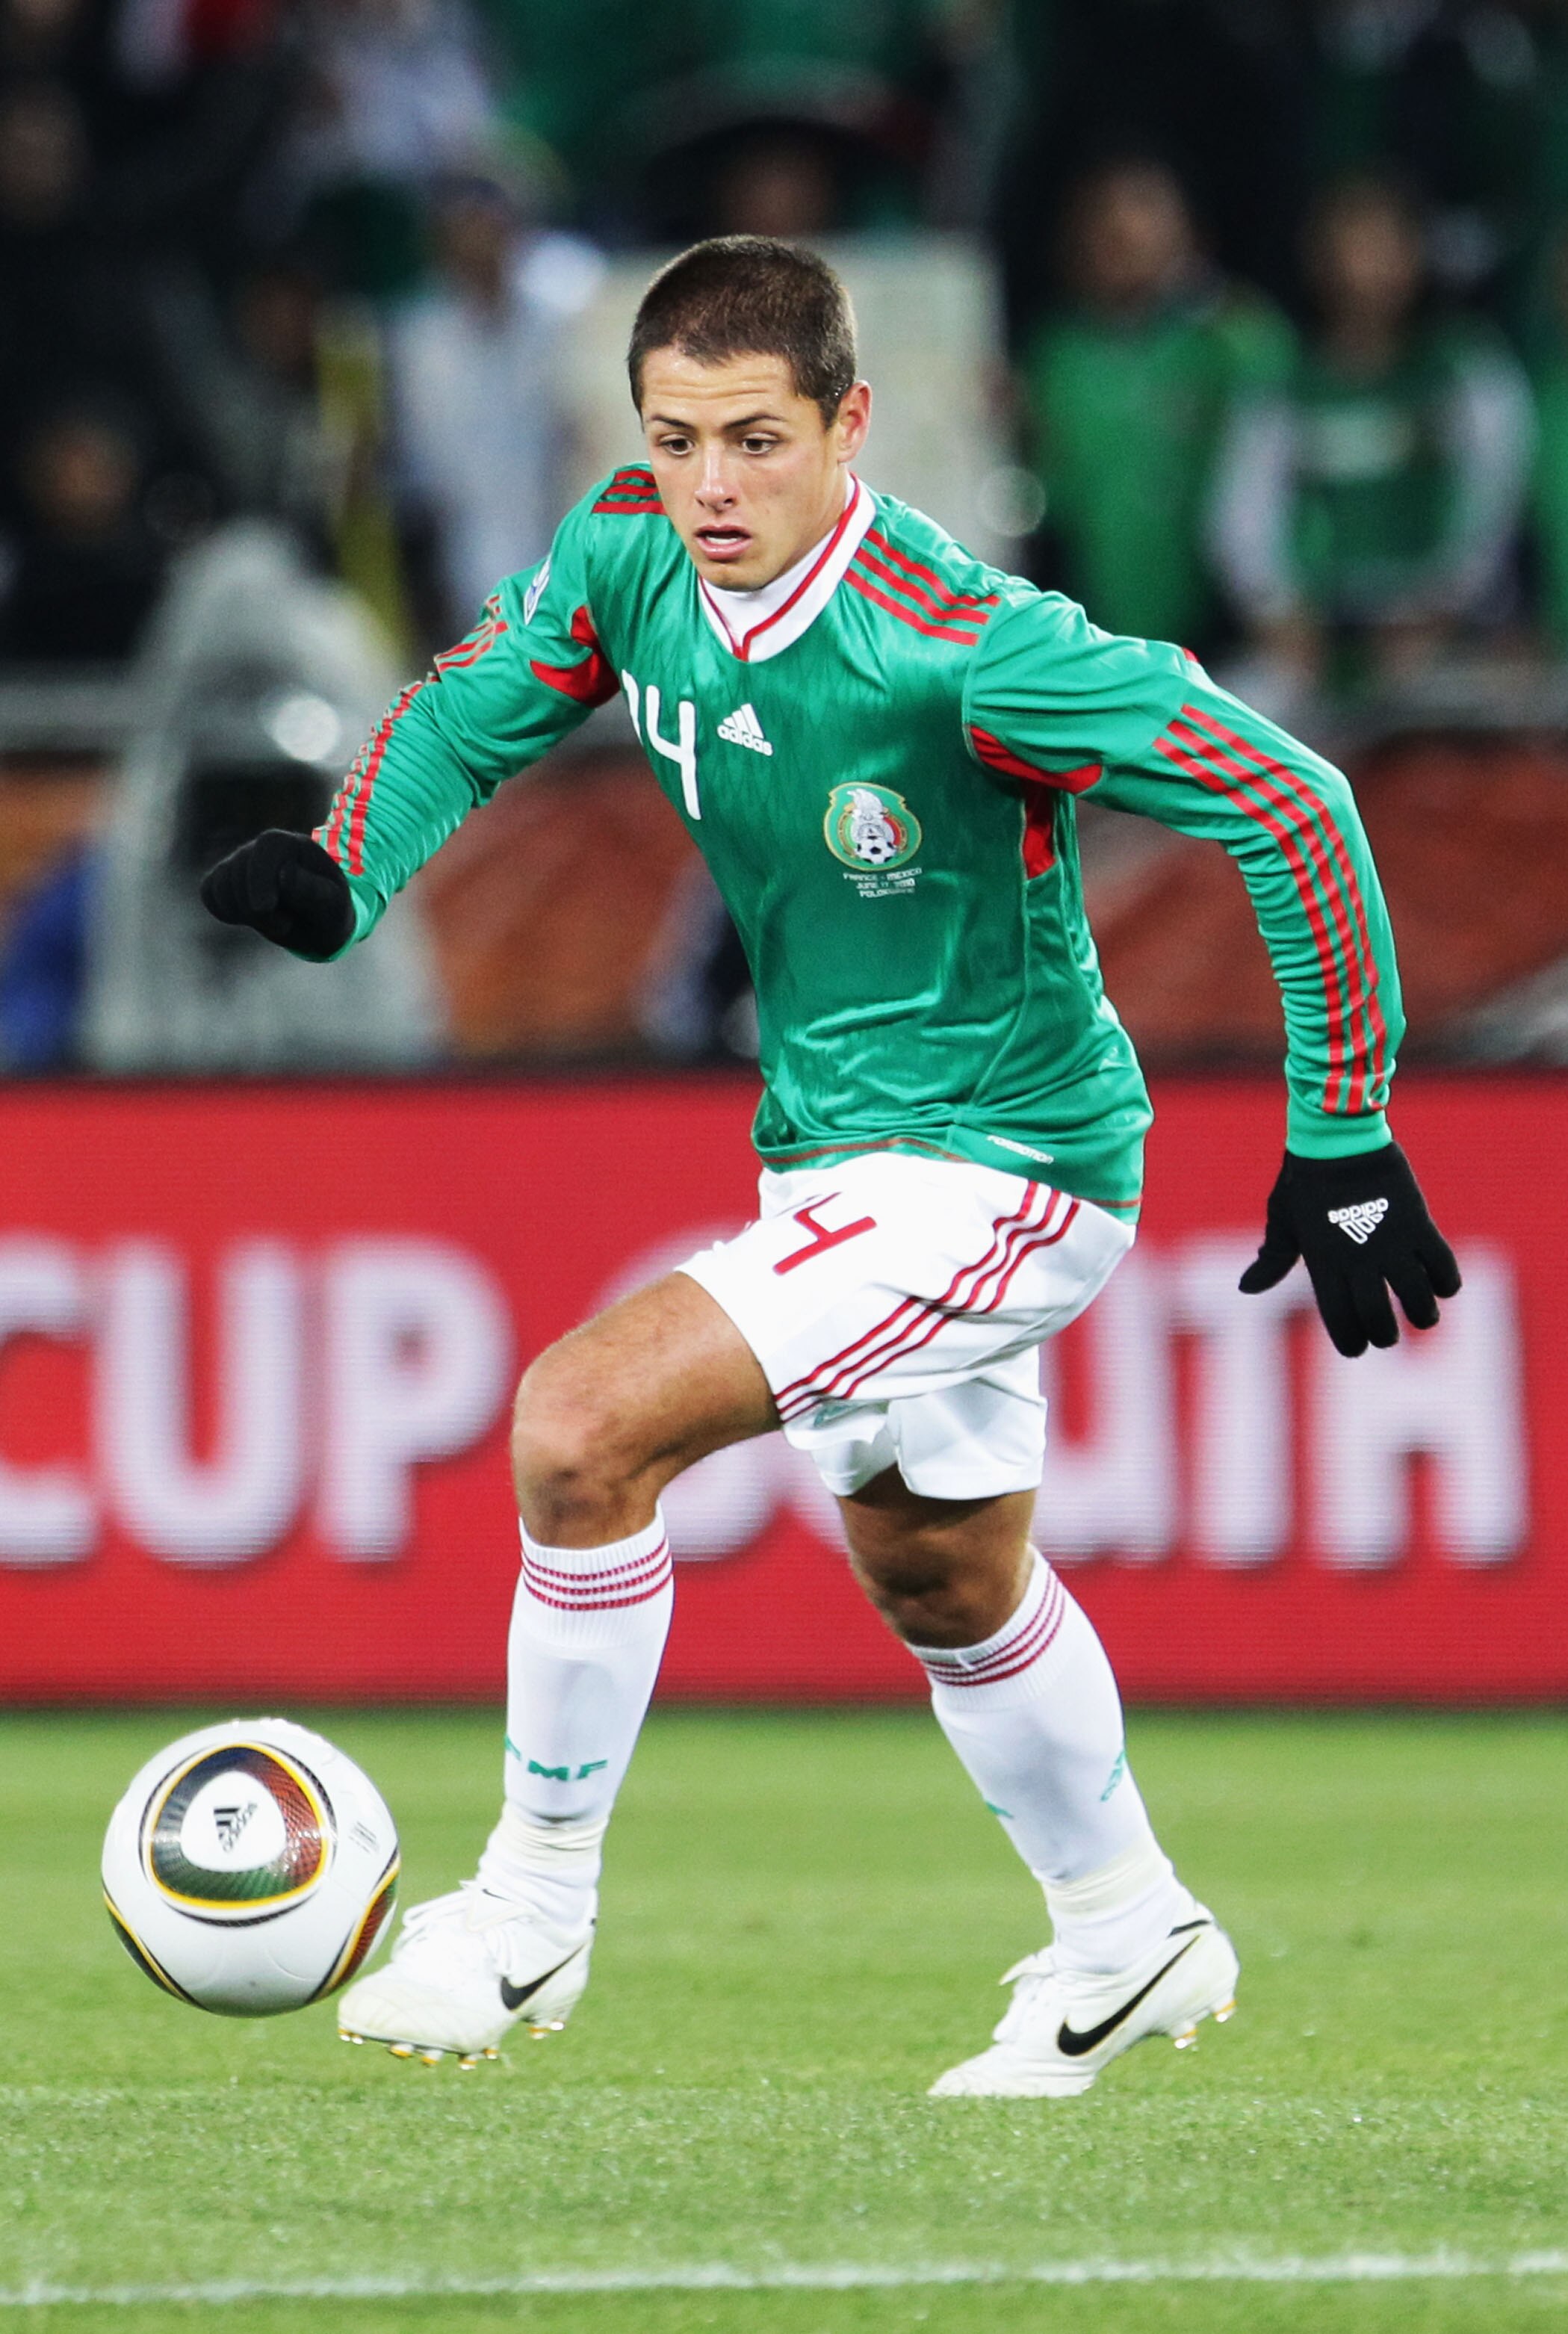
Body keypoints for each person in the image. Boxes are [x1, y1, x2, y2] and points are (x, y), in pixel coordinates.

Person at [199, 236, 1460, 2099]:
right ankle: (1126, 1928)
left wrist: (1338, 1133)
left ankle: (527, 1912)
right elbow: (470, 707)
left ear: (848, 423)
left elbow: (1293, 798)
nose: (708, 485)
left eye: (754, 440)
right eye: (673, 438)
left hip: (1006, 1160)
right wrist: (346, 866)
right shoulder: (625, 555)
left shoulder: (969, 646)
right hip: (833, 1155)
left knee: (578, 1427)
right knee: (940, 1573)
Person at [1211, 175, 1534, 694]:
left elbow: (1494, 499)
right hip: (1320, 629)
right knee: (1237, 706)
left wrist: (1443, 607)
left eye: (1386, 246)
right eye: (1352, 247)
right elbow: (1242, 514)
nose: (1366, 269)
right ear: (1317, 259)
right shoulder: (1283, 382)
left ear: (1417, 254)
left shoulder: (1465, 367)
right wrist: (1277, 611)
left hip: (1446, 630)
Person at [1020, 158, 1295, 651]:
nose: (1123, 230)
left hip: (1232, 627)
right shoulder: (1056, 353)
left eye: (1144, 210)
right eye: (1103, 216)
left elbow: (1280, 457)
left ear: (1187, 229)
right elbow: (1050, 498)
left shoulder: (1230, 337)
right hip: (1092, 629)